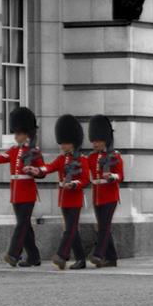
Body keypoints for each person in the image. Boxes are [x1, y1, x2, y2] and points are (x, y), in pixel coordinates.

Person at [0, 106, 44, 267]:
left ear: (26, 134)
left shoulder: (34, 152)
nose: (16, 136)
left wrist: (34, 171)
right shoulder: (14, 150)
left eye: (18, 133)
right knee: (25, 226)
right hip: (16, 192)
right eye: (15, 133)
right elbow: (1, 158)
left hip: (27, 192)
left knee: (22, 224)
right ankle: (34, 257)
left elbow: (42, 171)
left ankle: (13, 254)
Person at [36, 114, 90, 270]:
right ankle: (81, 260)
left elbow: (86, 179)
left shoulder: (82, 160)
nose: (61, 146)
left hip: (75, 198)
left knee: (70, 229)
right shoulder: (62, 159)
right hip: (64, 199)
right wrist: (37, 169)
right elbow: (49, 167)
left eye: (64, 143)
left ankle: (61, 255)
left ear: (72, 143)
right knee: (72, 230)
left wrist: (74, 184)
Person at [87, 115, 124, 268]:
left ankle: (99, 254)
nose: (95, 144)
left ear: (106, 140)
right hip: (97, 195)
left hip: (110, 196)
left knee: (104, 225)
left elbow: (121, 176)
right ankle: (112, 258)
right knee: (103, 225)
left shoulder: (114, 156)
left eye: (98, 141)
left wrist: (112, 176)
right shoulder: (92, 157)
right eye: (94, 141)